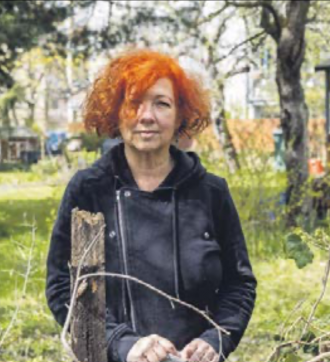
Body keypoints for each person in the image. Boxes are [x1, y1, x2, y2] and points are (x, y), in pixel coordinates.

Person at [46, 50, 257, 362]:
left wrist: (216, 338)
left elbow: (238, 284)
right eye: (134, 103)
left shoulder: (211, 193)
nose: (147, 116)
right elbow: (64, 288)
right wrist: (123, 343)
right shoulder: (89, 190)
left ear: (181, 115)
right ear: (115, 113)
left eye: (162, 103)